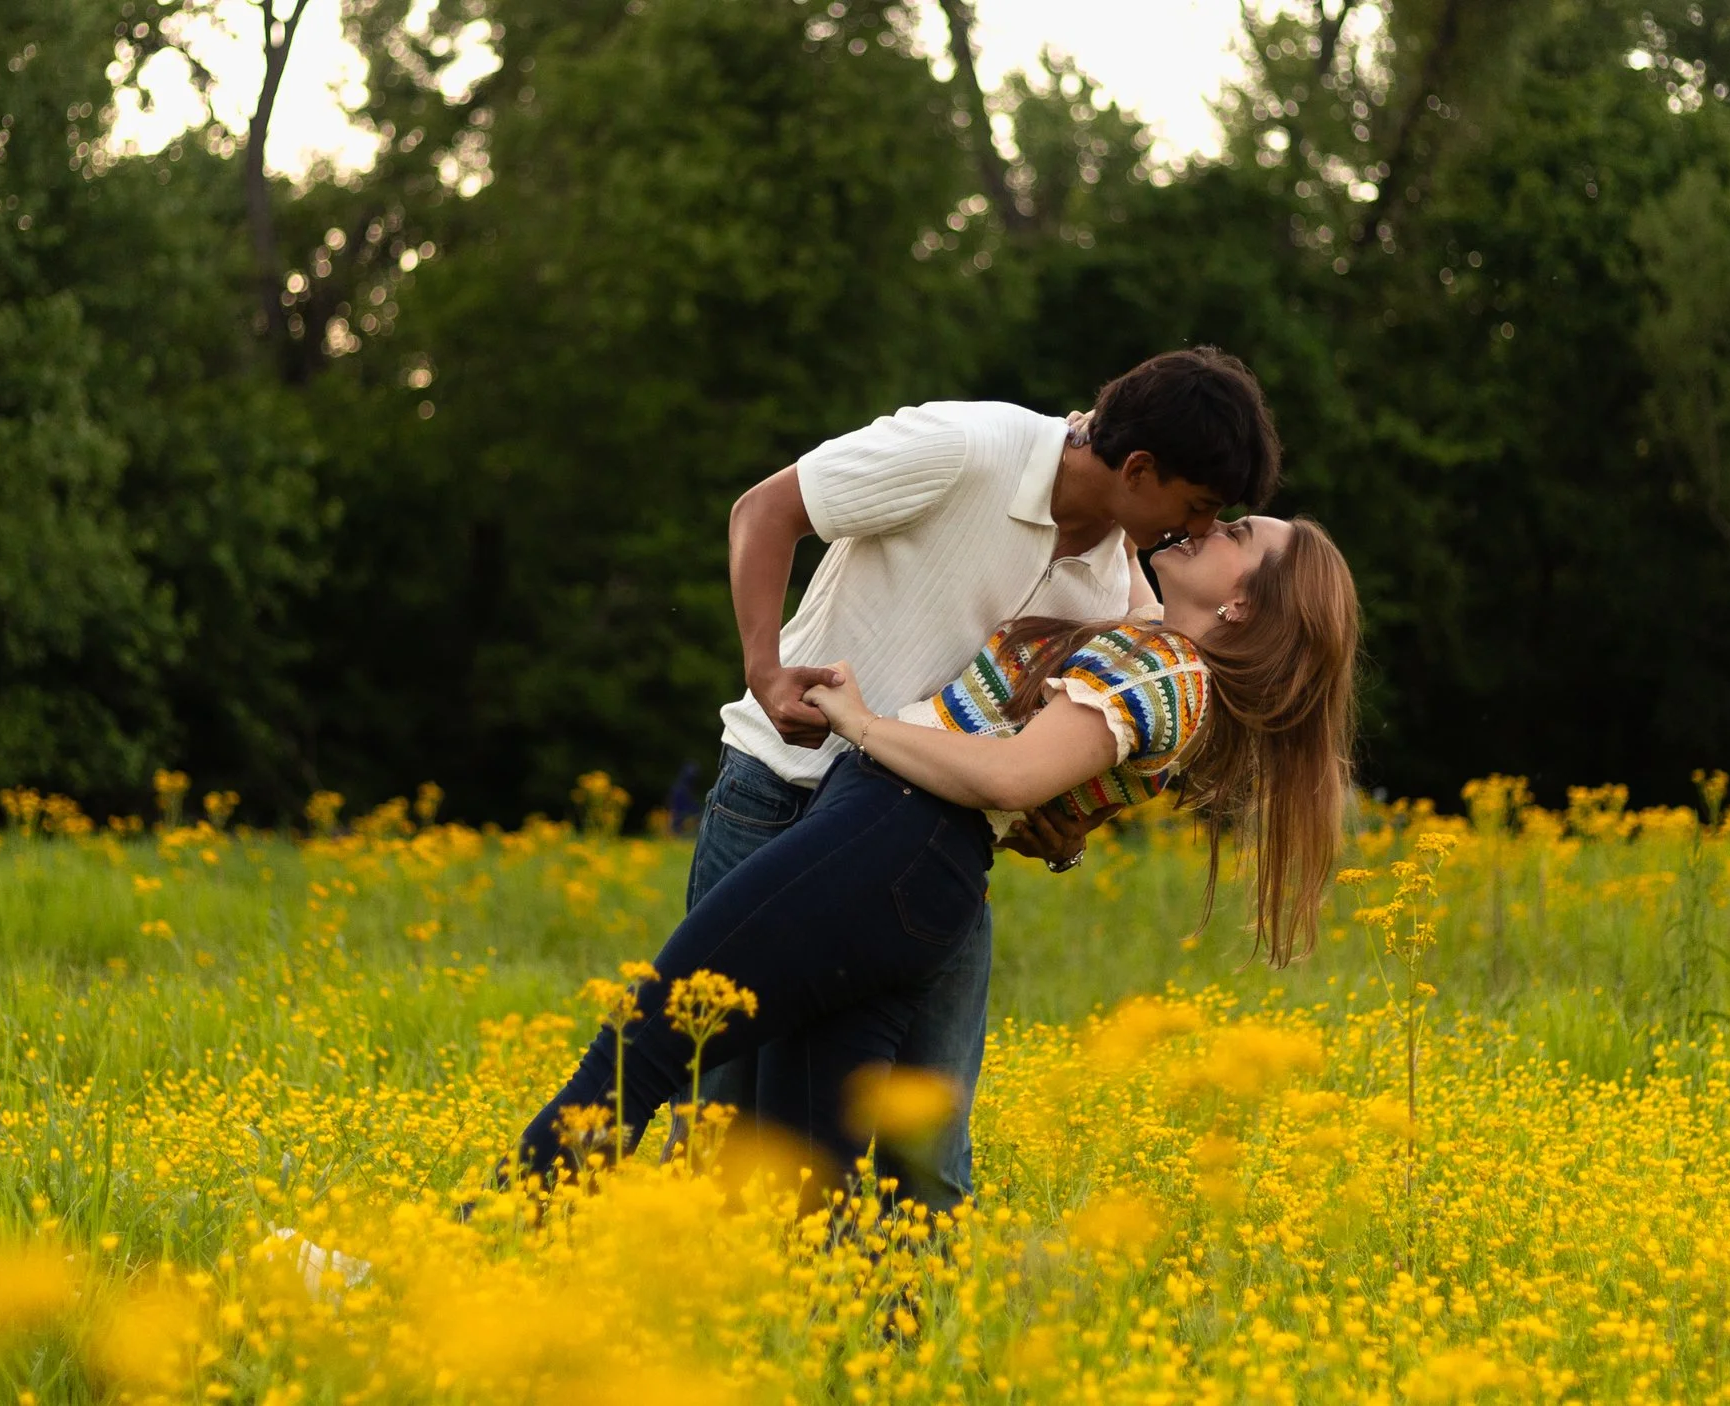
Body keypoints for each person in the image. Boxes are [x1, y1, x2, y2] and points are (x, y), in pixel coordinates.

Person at [517, 514, 1360, 1197]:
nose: (1207, 525)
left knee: (639, 1055)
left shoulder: (1161, 674)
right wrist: (1112, 468)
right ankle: (849, 1358)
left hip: (888, 838)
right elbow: (1132, 555)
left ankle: (500, 1238)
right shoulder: (1165, 660)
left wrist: (861, 724)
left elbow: (1015, 775)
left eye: (1235, 532)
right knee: (812, 1171)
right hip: (908, 865)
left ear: (1243, 605)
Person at [676, 348, 1282, 1206]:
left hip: (928, 852)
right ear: (1138, 469)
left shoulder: (1122, 588)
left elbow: (1088, 747)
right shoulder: (964, 446)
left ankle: (901, 1333)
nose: (1195, 532)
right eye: (1196, 507)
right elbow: (766, 510)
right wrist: (764, 667)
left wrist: (1067, 833)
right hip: (780, 795)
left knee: (926, 1143)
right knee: (719, 1108)